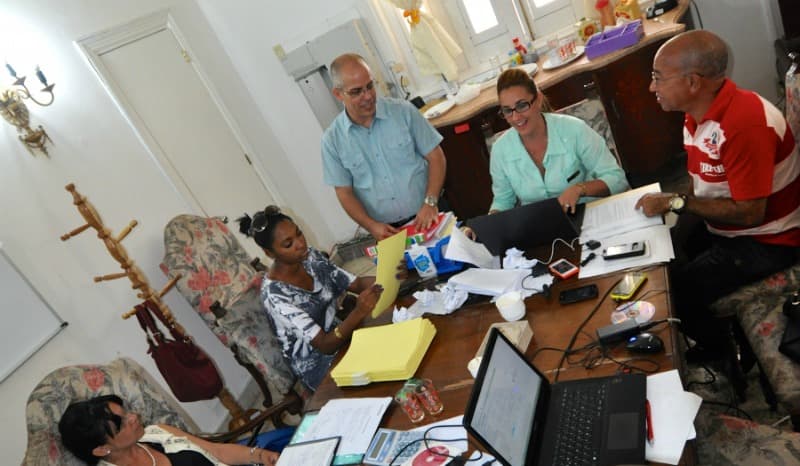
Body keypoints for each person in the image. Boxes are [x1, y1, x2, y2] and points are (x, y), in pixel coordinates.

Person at [635, 30, 800, 361]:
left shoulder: (744, 125)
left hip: (770, 240)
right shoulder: (697, 114)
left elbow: (751, 213)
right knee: (667, 253)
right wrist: (679, 205)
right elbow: (702, 180)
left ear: (693, 82)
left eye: (658, 77)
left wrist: (678, 203)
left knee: (676, 291)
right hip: (733, 227)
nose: (652, 87)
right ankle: (723, 332)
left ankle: (725, 355)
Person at [239, 206, 390, 391]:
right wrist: (359, 312)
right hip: (321, 368)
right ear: (269, 253)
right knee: (387, 374)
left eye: (299, 234)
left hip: (345, 337)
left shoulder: (310, 257)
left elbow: (356, 284)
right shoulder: (276, 297)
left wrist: (390, 275)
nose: (300, 244)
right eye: (288, 244)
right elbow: (325, 345)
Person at [322, 53, 447, 240]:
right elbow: (344, 193)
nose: (367, 96)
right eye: (356, 92)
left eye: (370, 86)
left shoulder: (403, 112)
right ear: (338, 94)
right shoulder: (332, 140)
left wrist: (430, 202)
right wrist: (371, 225)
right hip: (387, 231)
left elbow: (436, 156)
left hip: (429, 213)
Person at [488, 67, 628, 215]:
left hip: (587, 214)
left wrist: (580, 189)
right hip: (538, 225)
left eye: (522, 105)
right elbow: (502, 201)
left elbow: (617, 179)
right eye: (507, 110)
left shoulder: (574, 130)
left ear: (538, 99)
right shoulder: (499, 151)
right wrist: (489, 222)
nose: (516, 117)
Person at [58, 394, 280, 465]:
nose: (133, 417)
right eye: (122, 423)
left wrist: (260, 455)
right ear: (102, 449)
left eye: (126, 412)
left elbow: (217, 451)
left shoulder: (157, 432)